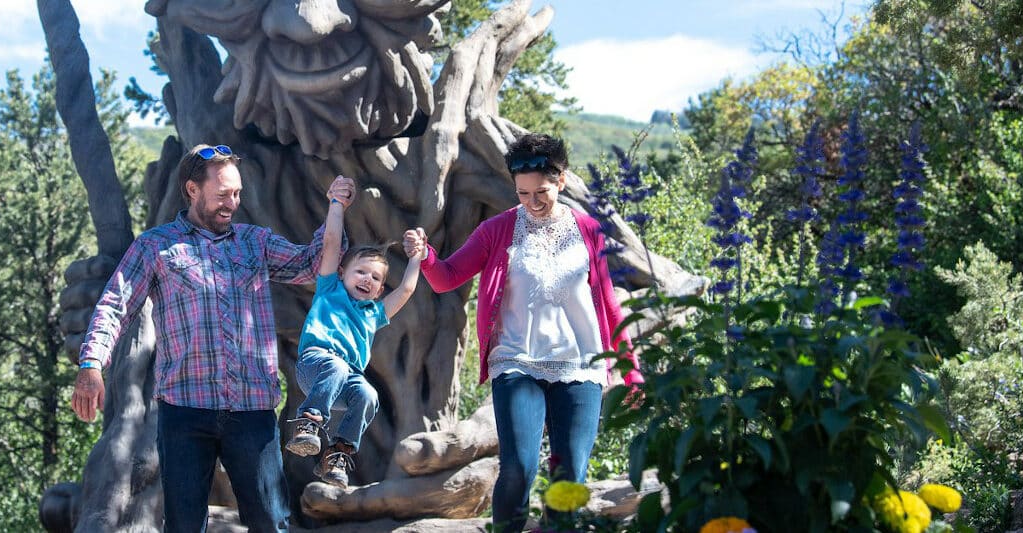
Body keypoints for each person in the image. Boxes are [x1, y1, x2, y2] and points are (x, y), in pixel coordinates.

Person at [72, 143, 355, 533]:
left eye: (237, 194)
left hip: (252, 412)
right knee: (185, 526)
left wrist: (336, 208)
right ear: (192, 190)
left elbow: (312, 263)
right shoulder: (156, 246)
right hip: (183, 415)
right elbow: (114, 304)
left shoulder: (255, 242)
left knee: (272, 523)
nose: (232, 203)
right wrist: (91, 364)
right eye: (223, 194)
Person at [404, 133, 643, 532]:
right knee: (518, 467)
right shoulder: (497, 230)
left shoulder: (588, 230)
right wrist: (425, 254)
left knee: (571, 475)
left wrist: (630, 369)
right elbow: (447, 277)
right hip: (516, 360)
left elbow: (608, 304)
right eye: (523, 193)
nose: (532, 201)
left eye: (542, 192)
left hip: (580, 364)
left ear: (561, 180)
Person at [284, 180, 423, 488]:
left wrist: (417, 257)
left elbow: (407, 289)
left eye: (375, 278)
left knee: (369, 394)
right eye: (361, 272)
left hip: (347, 380)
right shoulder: (329, 288)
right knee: (335, 365)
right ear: (343, 272)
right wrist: (337, 204)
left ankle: (338, 452)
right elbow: (332, 241)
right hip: (315, 366)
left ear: (379, 290)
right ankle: (307, 423)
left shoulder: (374, 313)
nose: (367, 279)